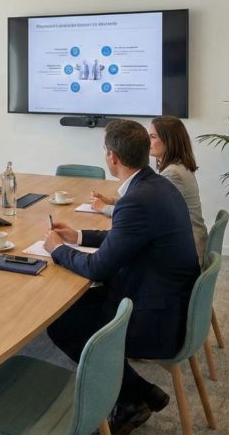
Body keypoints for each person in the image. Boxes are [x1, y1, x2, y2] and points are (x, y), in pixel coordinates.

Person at [44, 119, 200, 434]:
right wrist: (78, 236)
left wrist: (57, 250)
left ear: (113, 158)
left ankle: (134, 395)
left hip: (157, 317)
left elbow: (97, 268)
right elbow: (125, 239)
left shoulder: (137, 200)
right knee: (76, 306)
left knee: (61, 324)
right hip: (164, 295)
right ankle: (138, 393)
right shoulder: (156, 185)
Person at [90, 115, 208, 261]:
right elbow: (147, 206)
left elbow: (141, 213)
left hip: (187, 248)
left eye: (152, 137)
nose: (147, 142)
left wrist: (104, 207)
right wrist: (113, 201)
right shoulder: (177, 166)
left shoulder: (172, 173)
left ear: (168, 141)